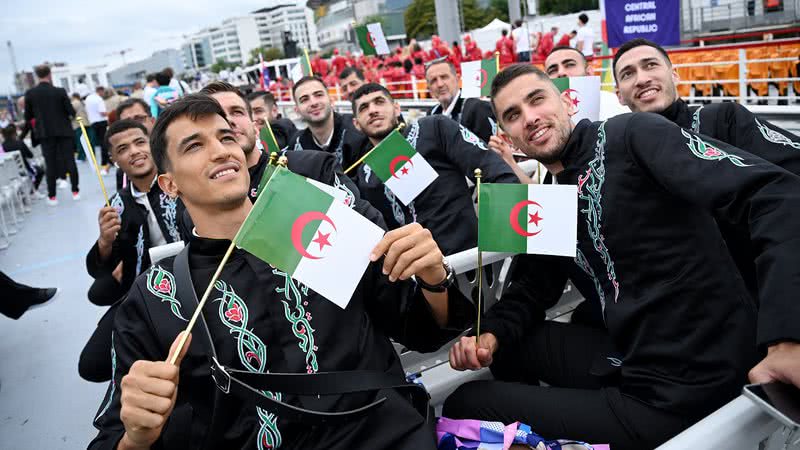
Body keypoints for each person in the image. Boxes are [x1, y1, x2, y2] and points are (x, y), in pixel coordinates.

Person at [88, 94, 475, 450]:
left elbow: (423, 330)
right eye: (194, 145)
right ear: (169, 184)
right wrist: (137, 437)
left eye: (225, 138)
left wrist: (432, 279)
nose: (221, 151)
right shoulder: (157, 295)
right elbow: (112, 436)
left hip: (386, 436)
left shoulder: (316, 223)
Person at [443, 64, 800, 449]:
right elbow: (533, 287)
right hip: (630, 357)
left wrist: (787, 338)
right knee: (514, 343)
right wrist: (489, 334)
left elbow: (774, 194)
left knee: (463, 403)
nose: (529, 118)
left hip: (685, 388)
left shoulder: (631, 134)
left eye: (537, 99)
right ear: (507, 136)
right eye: (513, 115)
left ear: (566, 101)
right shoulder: (548, 196)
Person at [612, 37, 800, 299]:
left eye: (651, 65)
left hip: (765, 296)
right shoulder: (620, 159)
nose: (642, 78)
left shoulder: (723, 120)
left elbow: (791, 182)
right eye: (628, 74)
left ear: (674, 74)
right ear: (619, 94)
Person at [350, 83, 521, 254]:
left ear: (396, 108)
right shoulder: (365, 176)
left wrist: (505, 242)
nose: (372, 110)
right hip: (422, 275)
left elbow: (494, 170)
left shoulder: (434, 128)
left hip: (472, 259)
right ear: (356, 124)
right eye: (364, 107)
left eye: (379, 101)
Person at [81, 119, 187, 382]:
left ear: (152, 144)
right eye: (123, 148)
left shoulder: (181, 180)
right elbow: (101, 269)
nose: (135, 152)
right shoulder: (115, 204)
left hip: (193, 279)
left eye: (140, 142)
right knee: (92, 364)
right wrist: (105, 242)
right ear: (114, 159)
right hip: (143, 292)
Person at [22, 64, 79, 205]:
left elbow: (28, 116)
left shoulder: (30, 93)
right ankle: (75, 191)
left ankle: (52, 196)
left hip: (45, 133)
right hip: (64, 131)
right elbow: (71, 111)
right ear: (50, 74)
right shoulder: (60, 91)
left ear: (36, 75)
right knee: (70, 160)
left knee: (50, 163)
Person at [287, 76, 369, 170]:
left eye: (318, 95)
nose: (313, 103)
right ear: (297, 110)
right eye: (304, 99)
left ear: (331, 100)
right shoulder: (296, 145)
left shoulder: (358, 130)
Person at [545, 46, 630, 120]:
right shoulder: (542, 115)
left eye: (570, 65)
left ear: (589, 72)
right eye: (552, 70)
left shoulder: (617, 106)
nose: (561, 72)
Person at [426, 59, 497, 145]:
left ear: (457, 79)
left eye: (444, 77)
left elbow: (489, 153)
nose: (440, 84)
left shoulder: (478, 108)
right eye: (433, 80)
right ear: (429, 89)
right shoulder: (431, 114)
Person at [2, 125, 44, 197]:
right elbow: (30, 155)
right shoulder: (19, 143)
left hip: (9, 174)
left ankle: (22, 192)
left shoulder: (2, 146)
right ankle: (33, 191)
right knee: (40, 171)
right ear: (15, 133)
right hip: (23, 170)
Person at [86, 86, 110, 174]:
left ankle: (98, 162)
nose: (104, 94)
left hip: (93, 122)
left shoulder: (88, 98)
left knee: (97, 142)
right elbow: (102, 112)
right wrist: (110, 113)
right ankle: (105, 161)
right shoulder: (99, 99)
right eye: (103, 92)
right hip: (101, 121)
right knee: (104, 142)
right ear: (100, 91)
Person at [71, 93, 90, 161]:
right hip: (85, 122)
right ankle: (84, 156)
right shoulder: (81, 102)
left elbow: (71, 113)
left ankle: (81, 157)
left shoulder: (74, 103)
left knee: (80, 141)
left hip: (78, 124)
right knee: (84, 141)